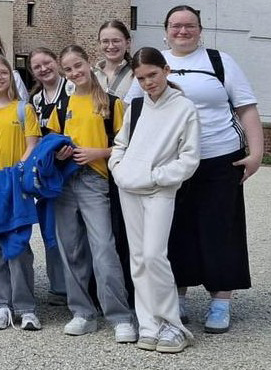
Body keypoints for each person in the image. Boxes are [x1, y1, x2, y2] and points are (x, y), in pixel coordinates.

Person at [124, 5, 262, 334]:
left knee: (221, 228)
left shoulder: (219, 62)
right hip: (168, 160)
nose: (182, 31)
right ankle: (177, 296)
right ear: (166, 30)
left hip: (218, 156)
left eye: (190, 25)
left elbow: (246, 108)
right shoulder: (153, 62)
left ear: (200, 30)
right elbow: (133, 111)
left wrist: (256, 153)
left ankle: (221, 301)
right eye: (176, 26)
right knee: (173, 228)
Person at [109, 47, 200, 354]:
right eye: (141, 78)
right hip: (129, 188)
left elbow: (189, 158)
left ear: (166, 71)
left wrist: (157, 176)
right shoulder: (136, 106)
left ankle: (172, 325)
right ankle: (149, 325)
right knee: (137, 259)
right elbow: (119, 144)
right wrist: (119, 170)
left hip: (160, 189)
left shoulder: (184, 108)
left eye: (153, 74)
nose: (148, 82)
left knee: (153, 256)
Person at [47, 45, 135, 343]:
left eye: (78, 65)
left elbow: (126, 146)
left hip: (95, 181)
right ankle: (82, 312)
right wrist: (59, 153)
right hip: (66, 181)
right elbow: (52, 142)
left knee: (103, 248)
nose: (75, 72)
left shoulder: (111, 103)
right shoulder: (63, 105)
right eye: (68, 69)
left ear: (88, 64)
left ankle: (120, 316)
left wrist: (98, 152)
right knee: (71, 249)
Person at [0, 55, 42, 331]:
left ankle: (26, 308)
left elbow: (32, 144)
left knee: (19, 246)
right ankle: (1, 305)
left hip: (16, 185)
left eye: (3, 72)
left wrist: (19, 171)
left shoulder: (23, 110)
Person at [27, 47, 71, 303]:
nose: (43, 69)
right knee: (50, 227)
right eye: (37, 67)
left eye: (47, 62)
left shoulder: (72, 90)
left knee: (74, 229)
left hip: (74, 166)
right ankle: (59, 285)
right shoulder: (36, 100)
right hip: (49, 171)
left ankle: (81, 284)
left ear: (57, 61)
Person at [96, 20, 134, 99]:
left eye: (116, 41)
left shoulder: (136, 74)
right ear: (99, 44)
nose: (111, 46)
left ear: (128, 43)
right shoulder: (92, 75)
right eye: (105, 41)